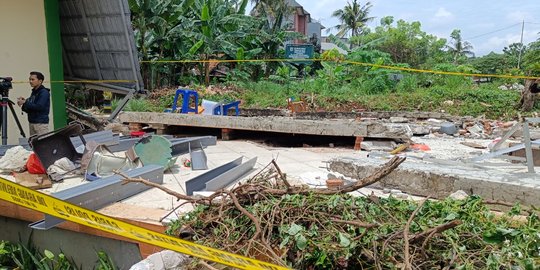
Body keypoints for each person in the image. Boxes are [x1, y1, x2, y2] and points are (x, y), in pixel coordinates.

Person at [16, 71, 50, 136]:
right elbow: (31, 107)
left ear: (40, 81)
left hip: (40, 124)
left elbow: (39, 106)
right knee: (34, 144)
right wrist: (24, 103)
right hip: (32, 122)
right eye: (30, 79)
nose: (30, 81)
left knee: (42, 144)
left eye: (33, 79)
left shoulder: (44, 92)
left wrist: (25, 102)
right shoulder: (34, 92)